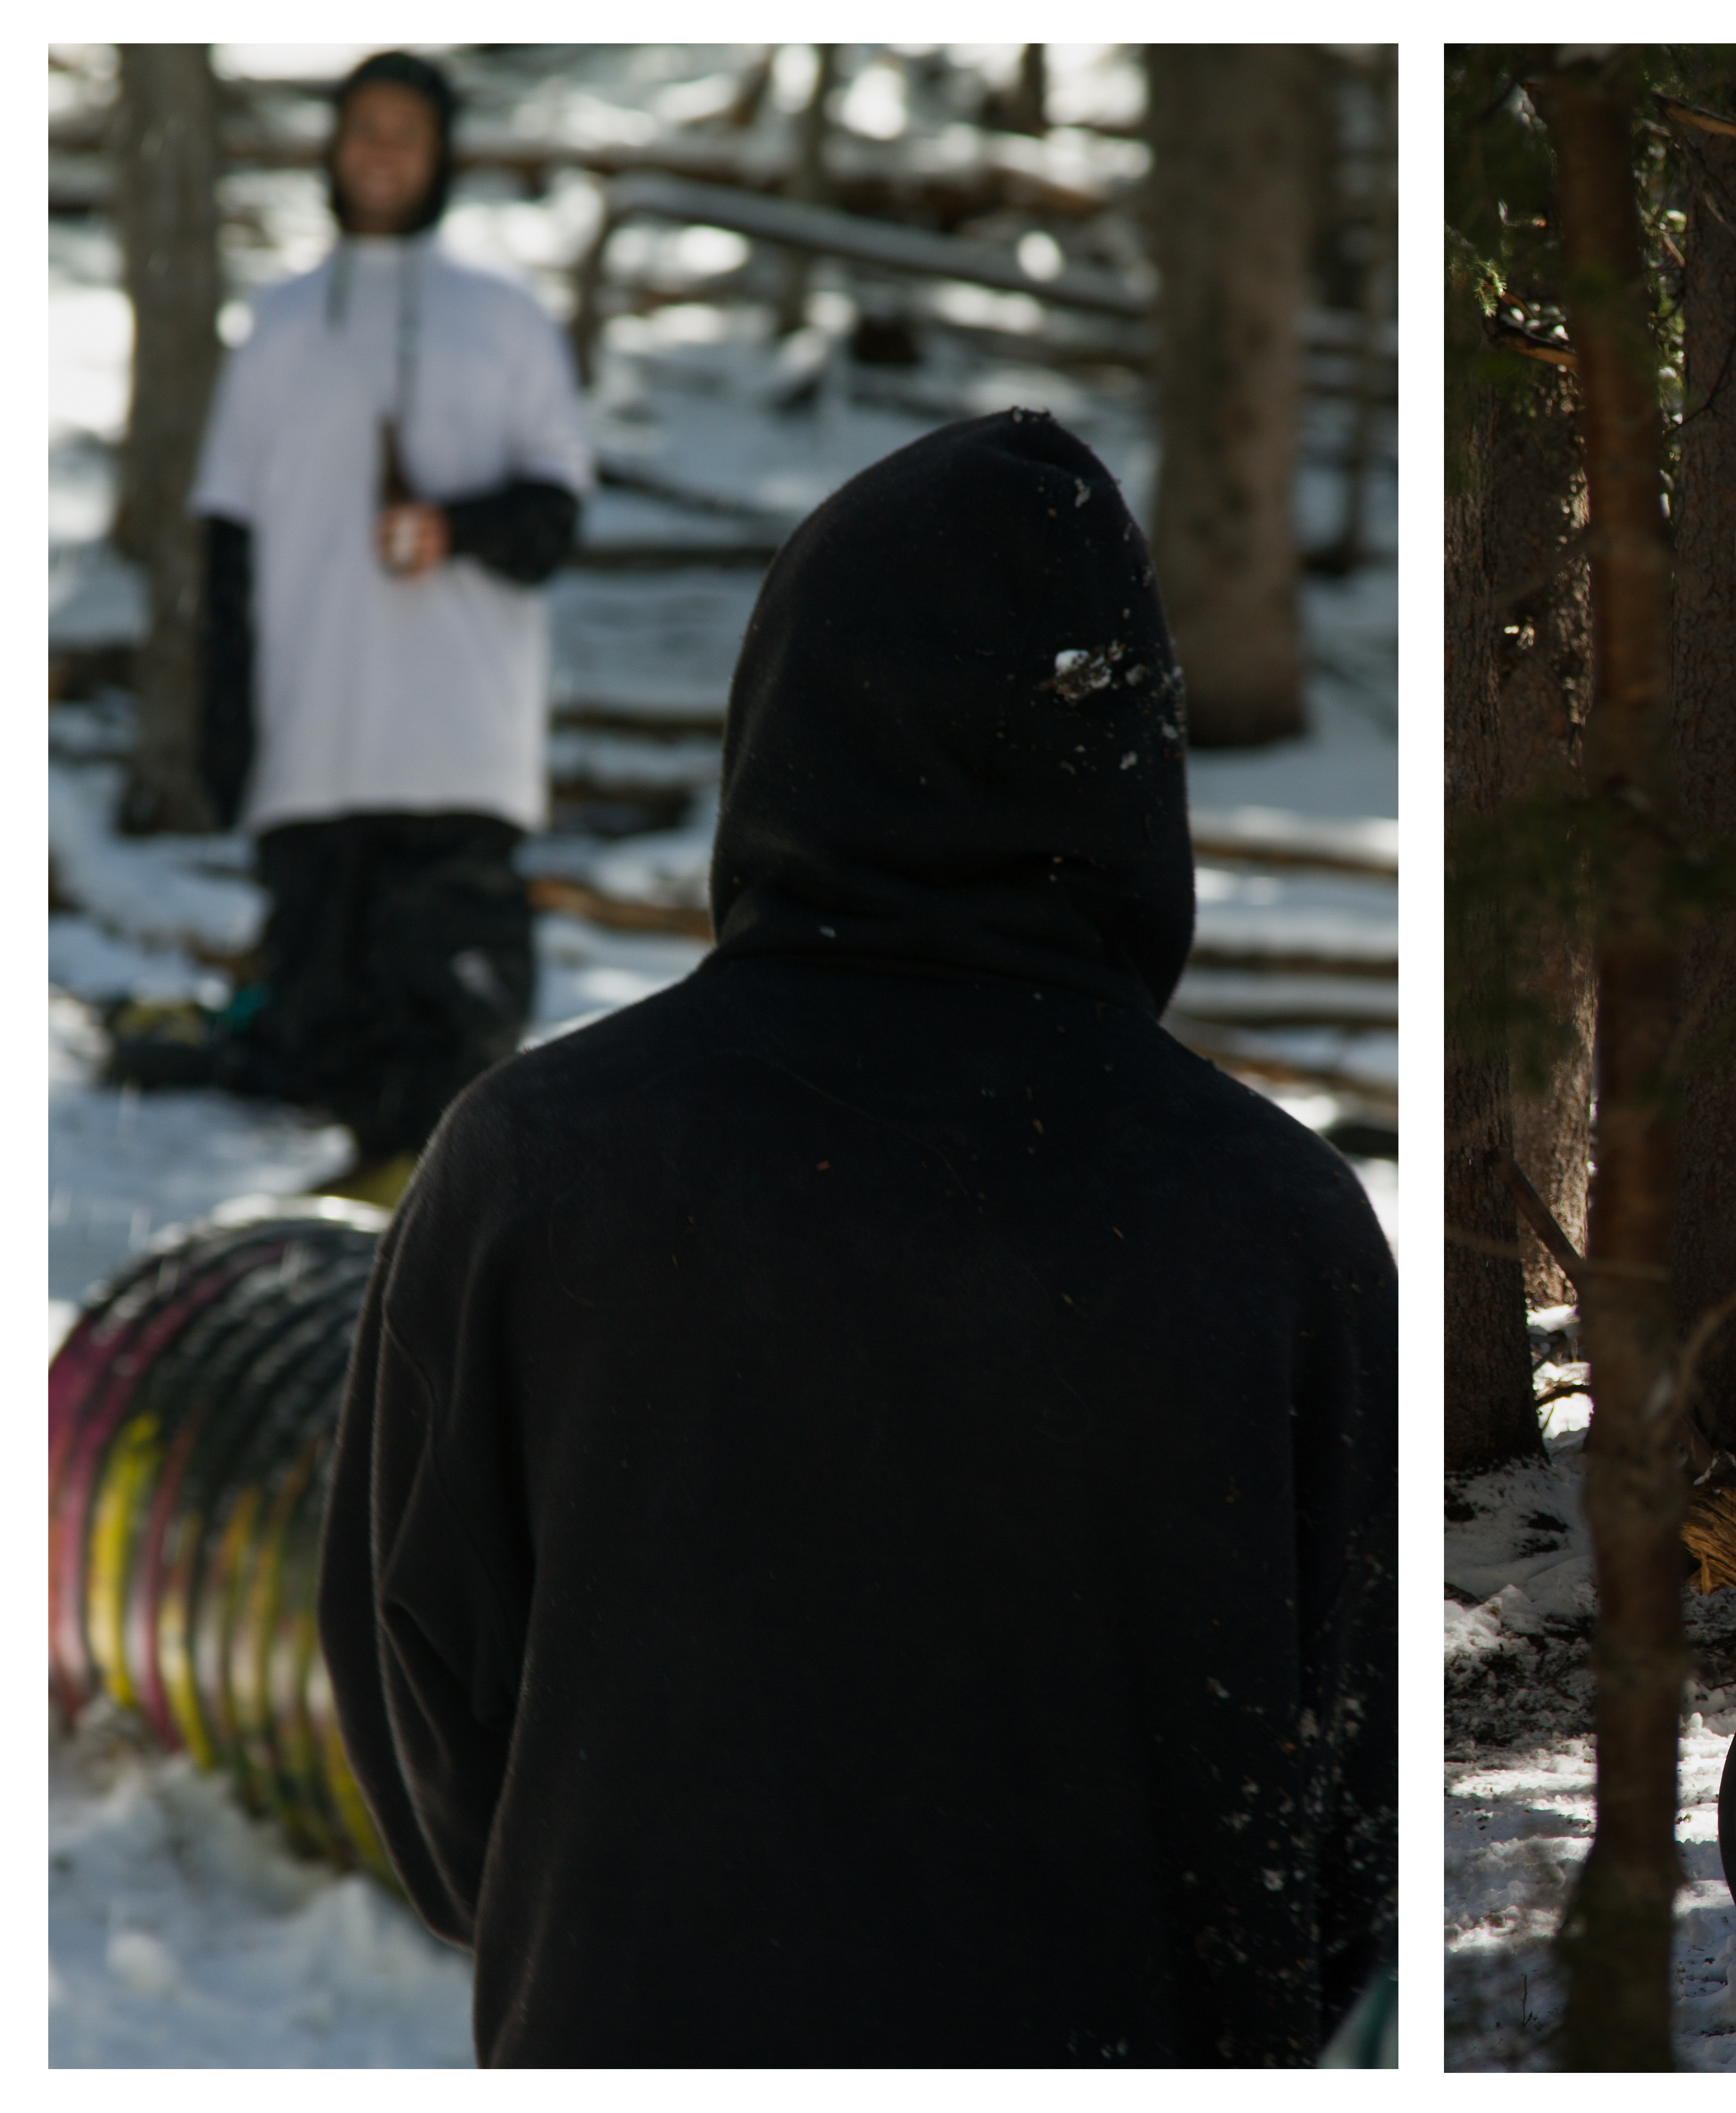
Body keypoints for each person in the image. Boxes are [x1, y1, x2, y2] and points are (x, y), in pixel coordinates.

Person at [314, 410, 1396, 2066]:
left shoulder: (537, 1164)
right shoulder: (1273, 1226)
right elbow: (1346, 1839)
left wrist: (617, 1902)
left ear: (788, 714)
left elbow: (433, 1728)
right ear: (1129, 767)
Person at [166, 49, 593, 1204]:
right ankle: (361, 1269)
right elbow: (229, 545)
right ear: (333, 148)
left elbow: (553, 518)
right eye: (364, 127)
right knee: (324, 1026)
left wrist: (453, 528)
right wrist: (224, 729)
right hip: (315, 747)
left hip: (457, 742)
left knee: (454, 1027)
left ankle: (450, 1252)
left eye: (407, 128)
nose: (383, 150)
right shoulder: (281, 323)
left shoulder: (505, 319)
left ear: (444, 150)